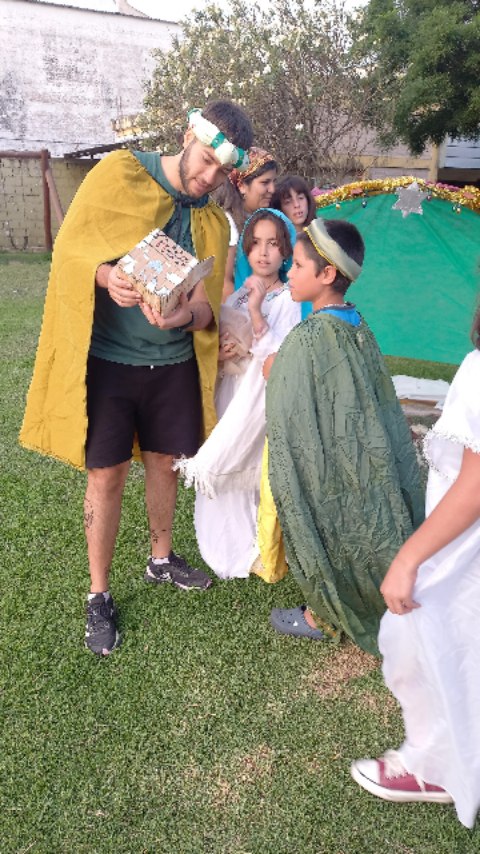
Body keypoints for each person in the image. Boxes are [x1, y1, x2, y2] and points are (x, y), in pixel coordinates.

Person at [19, 100, 254, 656]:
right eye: (205, 162)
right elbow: (71, 252)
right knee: (106, 476)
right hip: (110, 362)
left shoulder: (209, 220)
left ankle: (160, 558)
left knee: (165, 464)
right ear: (187, 136)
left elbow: (207, 309)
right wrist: (108, 278)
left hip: (171, 365)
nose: (209, 178)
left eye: (222, 172)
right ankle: (98, 593)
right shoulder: (121, 174)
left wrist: (183, 317)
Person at [265, 217, 424, 655]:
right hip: (365, 457)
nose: (289, 273)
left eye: (298, 265)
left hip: (333, 466)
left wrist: (273, 364)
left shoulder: (312, 336)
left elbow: (285, 390)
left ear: (327, 274)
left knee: (333, 527)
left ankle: (324, 614)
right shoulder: (355, 321)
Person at [350, 310, 480, 828]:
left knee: (425, 636)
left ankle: (434, 767)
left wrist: (409, 559)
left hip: (463, 550)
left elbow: (475, 486)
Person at [175, 209, 300, 579]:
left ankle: (259, 543)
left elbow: (281, 353)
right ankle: (226, 543)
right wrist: (220, 353)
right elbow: (216, 340)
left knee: (253, 464)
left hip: (258, 399)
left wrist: (257, 317)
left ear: (286, 251)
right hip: (230, 393)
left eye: (273, 244)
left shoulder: (289, 299)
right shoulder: (237, 297)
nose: (263, 252)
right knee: (227, 456)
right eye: (256, 243)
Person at [212, 147, 278, 300]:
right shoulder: (227, 223)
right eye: (265, 182)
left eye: (274, 181)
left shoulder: (264, 218)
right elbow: (223, 283)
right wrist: (252, 311)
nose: (272, 189)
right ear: (242, 186)